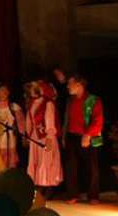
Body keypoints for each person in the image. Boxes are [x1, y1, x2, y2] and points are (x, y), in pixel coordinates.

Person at [63, 75, 103, 204]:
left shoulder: (93, 100)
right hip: (71, 136)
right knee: (71, 167)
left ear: (79, 85)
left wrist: (88, 135)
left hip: (87, 135)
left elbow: (98, 120)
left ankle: (93, 195)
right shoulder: (70, 100)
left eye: (70, 83)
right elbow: (67, 120)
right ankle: (73, 194)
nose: (68, 86)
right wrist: (64, 136)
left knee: (91, 167)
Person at [25, 81, 63, 200]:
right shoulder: (31, 103)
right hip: (35, 137)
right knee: (37, 160)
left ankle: (48, 187)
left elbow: (50, 120)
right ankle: (39, 186)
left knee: (46, 160)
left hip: (45, 136)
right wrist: (28, 135)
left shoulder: (47, 103)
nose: (30, 91)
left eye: (32, 88)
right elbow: (29, 120)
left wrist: (50, 138)